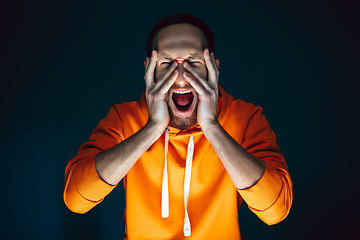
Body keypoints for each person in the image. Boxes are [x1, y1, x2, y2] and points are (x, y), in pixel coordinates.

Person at [63, 13, 293, 240]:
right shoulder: (124, 118)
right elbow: (76, 200)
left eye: (193, 63)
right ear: (149, 70)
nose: (181, 78)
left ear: (213, 68)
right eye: (166, 64)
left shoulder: (246, 117)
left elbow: (275, 211)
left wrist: (211, 126)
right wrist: (152, 128)